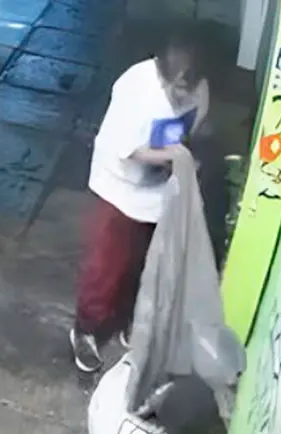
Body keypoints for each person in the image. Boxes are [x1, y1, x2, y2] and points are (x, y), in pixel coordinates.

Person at [70, 33, 210, 372]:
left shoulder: (199, 87)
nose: (182, 96)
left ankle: (130, 318)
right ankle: (86, 328)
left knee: (145, 262)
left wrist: (187, 152)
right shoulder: (136, 89)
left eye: (188, 88)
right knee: (107, 265)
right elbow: (130, 150)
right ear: (164, 75)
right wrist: (176, 157)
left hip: (158, 192)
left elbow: (196, 121)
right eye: (177, 88)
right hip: (119, 190)